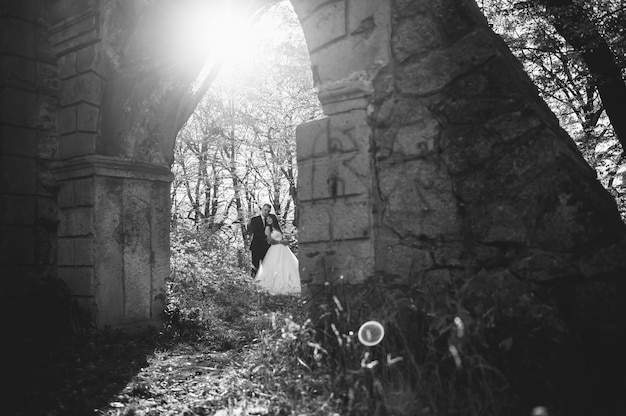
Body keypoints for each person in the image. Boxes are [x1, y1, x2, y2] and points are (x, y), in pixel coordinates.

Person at [255, 215, 301, 295]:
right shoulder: (268, 228)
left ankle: (290, 282)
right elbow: (270, 241)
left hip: (283, 249)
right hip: (275, 249)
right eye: (267, 219)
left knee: (286, 265)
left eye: (270, 218)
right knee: (276, 265)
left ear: (273, 219)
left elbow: (279, 237)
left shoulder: (277, 228)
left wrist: (284, 241)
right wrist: (281, 242)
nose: (268, 220)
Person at [248, 203, 281, 276]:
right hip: (256, 247)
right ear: (262, 209)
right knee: (255, 266)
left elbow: (274, 231)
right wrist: (266, 239)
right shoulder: (254, 220)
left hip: (267, 248)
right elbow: (255, 232)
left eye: (268, 211)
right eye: (265, 210)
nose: (266, 212)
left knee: (267, 266)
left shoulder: (270, 220)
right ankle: (253, 282)